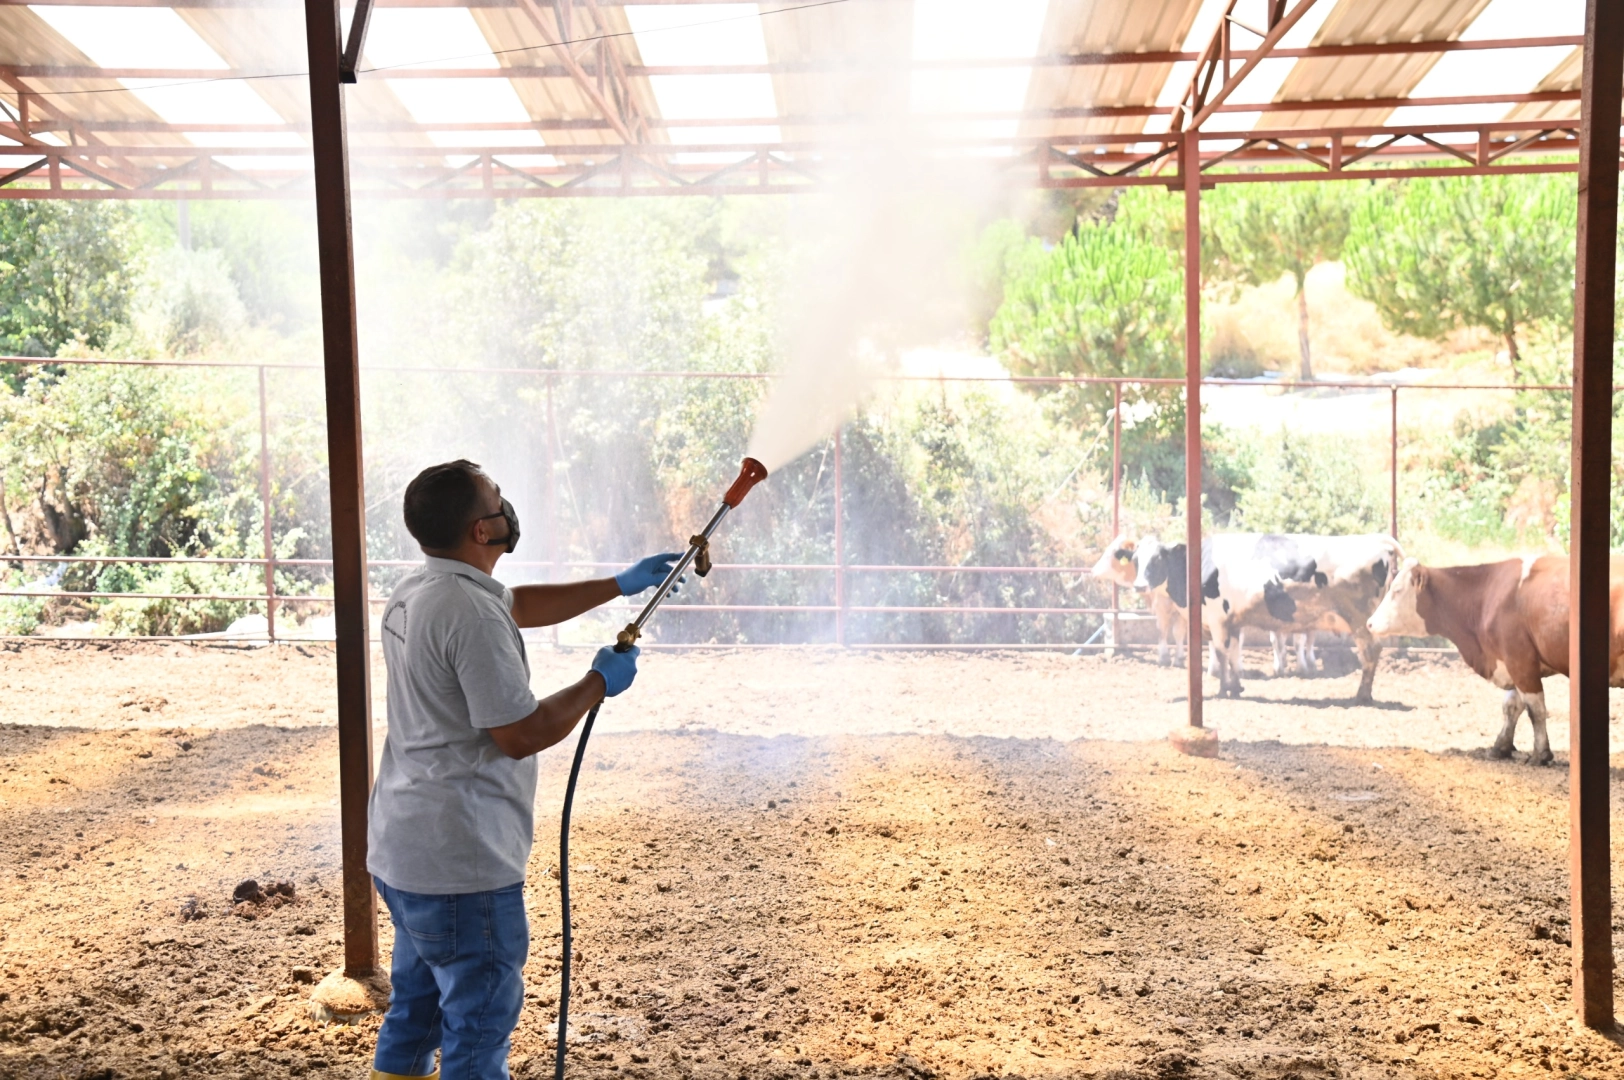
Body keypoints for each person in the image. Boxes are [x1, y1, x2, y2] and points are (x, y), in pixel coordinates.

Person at [367, 459, 680, 1080]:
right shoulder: (471, 614)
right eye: (497, 499)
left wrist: (620, 583)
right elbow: (520, 733)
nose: (506, 505)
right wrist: (597, 682)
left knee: (416, 1015)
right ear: (482, 531)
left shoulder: (422, 590)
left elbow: (518, 605)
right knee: (478, 1034)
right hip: (464, 863)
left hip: (405, 855)